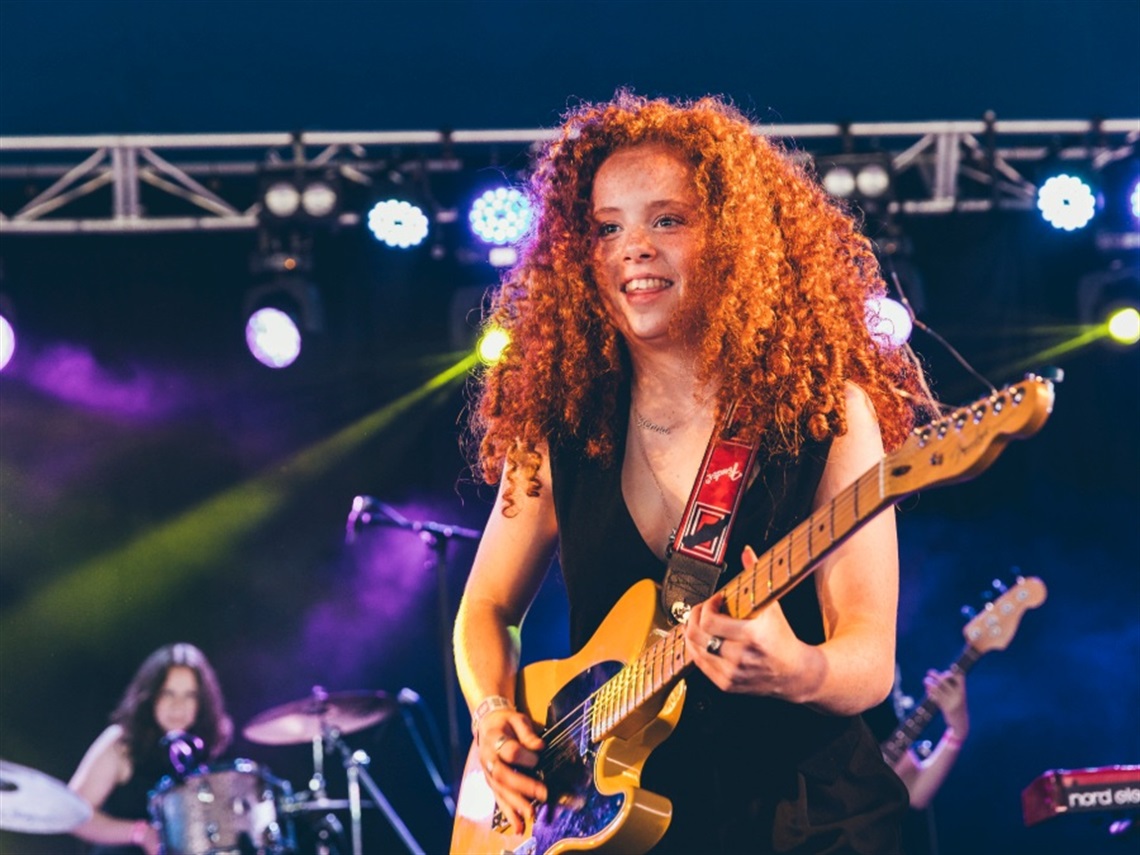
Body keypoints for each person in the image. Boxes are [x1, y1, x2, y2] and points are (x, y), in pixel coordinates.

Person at [453, 91, 934, 854]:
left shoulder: (823, 412)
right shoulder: (559, 428)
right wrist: (490, 713)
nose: (632, 247)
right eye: (607, 228)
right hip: (617, 827)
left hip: (802, 819)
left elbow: (871, 661)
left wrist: (798, 669)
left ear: (735, 239)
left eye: (666, 219)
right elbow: (484, 605)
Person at [68, 642, 234, 855]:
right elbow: (72, 814)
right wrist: (139, 832)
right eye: (168, 693)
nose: (178, 706)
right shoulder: (122, 742)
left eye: (189, 695)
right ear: (150, 696)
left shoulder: (205, 749)